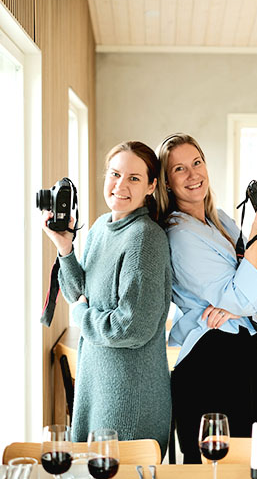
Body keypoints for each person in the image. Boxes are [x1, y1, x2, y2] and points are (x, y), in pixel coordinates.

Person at [155, 133, 257, 463]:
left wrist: (235, 302)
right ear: (167, 182)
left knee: (248, 460)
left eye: (197, 163)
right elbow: (246, 292)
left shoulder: (221, 218)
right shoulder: (179, 234)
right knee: (212, 466)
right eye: (179, 169)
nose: (192, 174)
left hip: (242, 349)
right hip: (210, 359)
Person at [42, 141, 172, 457]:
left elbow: (131, 328)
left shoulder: (145, 239)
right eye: (115, 174)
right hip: (95, 386)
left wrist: (81, 315)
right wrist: (65, 248)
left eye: (134, 178)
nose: (120, 185)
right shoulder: (102, 227)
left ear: (151, 186)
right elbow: (76, 292)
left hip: (129, 396)